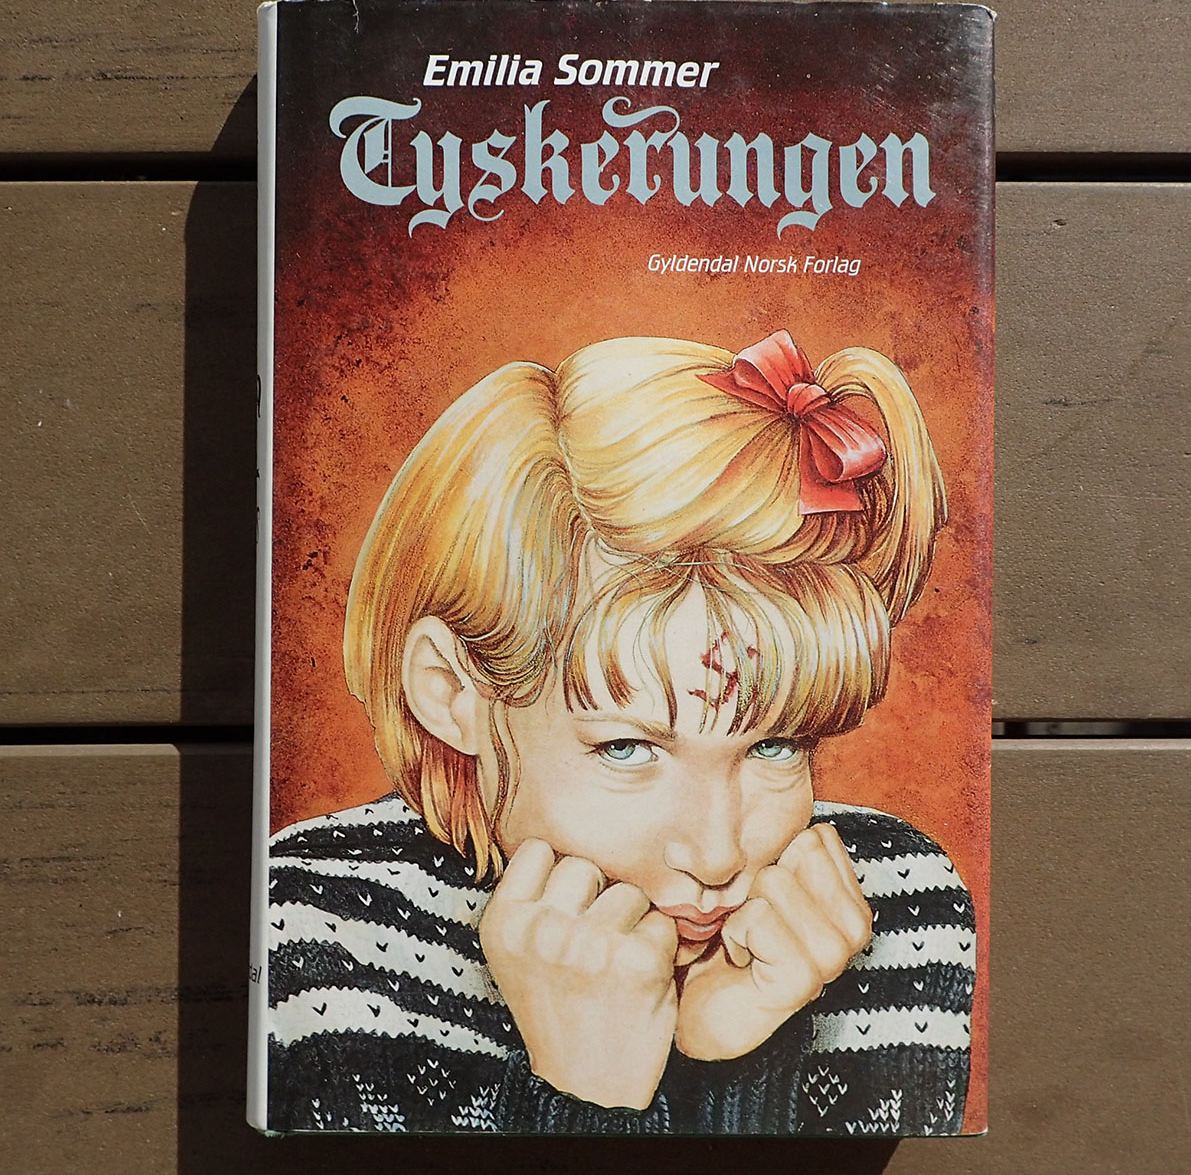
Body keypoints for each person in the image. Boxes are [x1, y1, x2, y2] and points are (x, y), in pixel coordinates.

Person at [267, 331, 976, 1134]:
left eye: (774, 745)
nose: (716, 855)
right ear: (450, 690)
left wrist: (728, 1054)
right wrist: (588, 1088)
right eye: (626, 749)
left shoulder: (896, 900)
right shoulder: (314, 924)